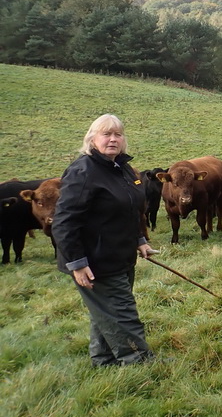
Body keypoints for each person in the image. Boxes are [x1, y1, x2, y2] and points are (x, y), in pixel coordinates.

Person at [51, 114, 158, 366]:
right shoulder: (83, 172)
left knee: (107, 311)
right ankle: (139, 362)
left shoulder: (121, 169)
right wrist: (76, 262)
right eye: (106, 134)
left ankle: (104, 361)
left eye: (117, 134)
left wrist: (140, 239)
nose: (113, 139)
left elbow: (128, 210)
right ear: (92, 139)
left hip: (120, 255)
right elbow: (64, 221)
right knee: (122, 312)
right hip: (95, 261)